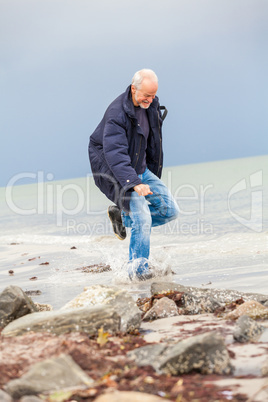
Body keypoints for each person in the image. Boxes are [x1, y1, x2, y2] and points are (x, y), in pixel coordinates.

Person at [88, 69, 179, 280]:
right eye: (146, 95)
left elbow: (152, 144)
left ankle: (122, 217)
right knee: (143, 219)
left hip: (140, 168)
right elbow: (114, 153)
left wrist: (148, 174)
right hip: (116, 170)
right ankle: (137, 273)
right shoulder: (116, 114)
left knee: (170, 210)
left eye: (153, 95)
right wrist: (133, 183)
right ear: (133, 88)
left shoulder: (151, 107)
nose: (150, 100)